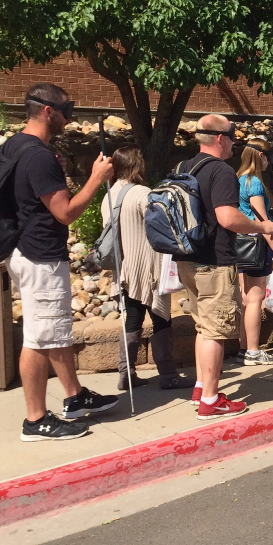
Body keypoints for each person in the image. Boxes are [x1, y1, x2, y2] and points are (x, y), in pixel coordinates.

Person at [6, 83, 119, 442]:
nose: (70, 118)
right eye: (66, 110)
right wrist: (96, 180)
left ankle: (74, 396)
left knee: (53, 333)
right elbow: (66, 212)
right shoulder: (38, 156)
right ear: (47, 111)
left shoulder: (15, 146)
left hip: (26, 250)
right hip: (40, 256)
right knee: (39, 339)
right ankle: (35, 420)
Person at [175, 114, 273, 419]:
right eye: (231, 136)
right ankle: (210, 400)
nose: (233, 142)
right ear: (220, 138)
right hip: (214, 262)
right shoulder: (220, 171)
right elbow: (228, 218)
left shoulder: (184, 167)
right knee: (216, 330)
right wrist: (262, 226)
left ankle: (200, 387)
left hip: (187, 259)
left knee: (203, 327)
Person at [101, 146, 193, 391]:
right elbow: (159, 227)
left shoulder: (108, 195)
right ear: (135, 167)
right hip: (149, 266)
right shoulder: (143, 193)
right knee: (161, 319)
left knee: (132, 320)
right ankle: (168, 374)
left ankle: (126, 373)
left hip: (124, 268)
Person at [236, 138, 273, 366]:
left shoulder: (240, 180)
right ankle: (253, 352)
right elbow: (261, 220)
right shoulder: (254, 182)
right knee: (255, 299)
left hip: (241, 244)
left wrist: (270, 200)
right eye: (268, 157)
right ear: (261, 156)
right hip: (256, 245)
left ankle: (244, 348)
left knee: (246, 299)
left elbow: (248, 209)